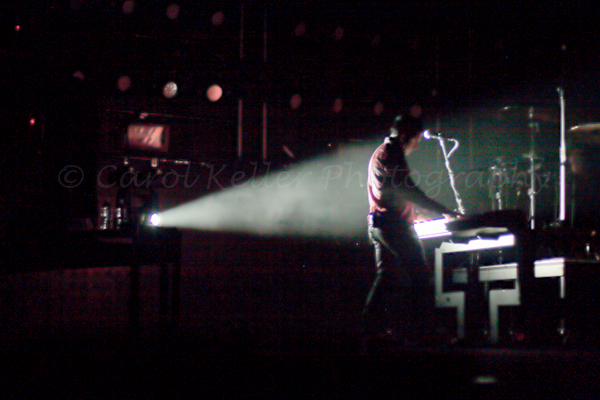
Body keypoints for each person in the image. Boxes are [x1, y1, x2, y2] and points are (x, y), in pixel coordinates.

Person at [361, 114, 461, 348]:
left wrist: (418, 216)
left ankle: (370, 331)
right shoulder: (393, 153)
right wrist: (444, 211)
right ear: (405, 136)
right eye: (416, 140)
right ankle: (425, 332)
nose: (416, 146)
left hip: (378, 224)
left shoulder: (381, 151)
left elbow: (391, 194)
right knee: (421, 275)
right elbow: (409, 191)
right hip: (391, 225)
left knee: (386, 278)